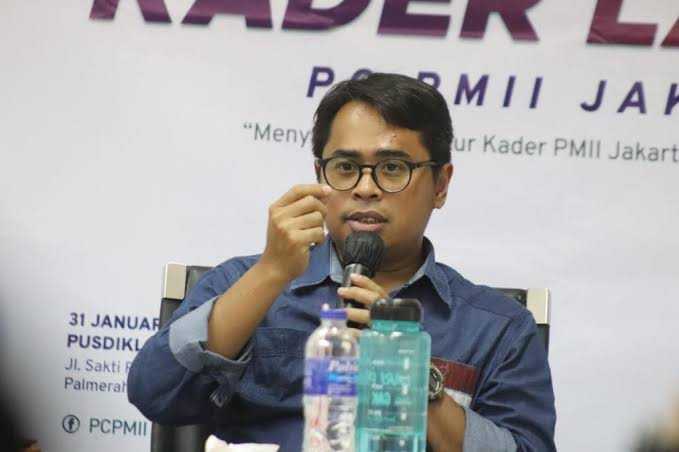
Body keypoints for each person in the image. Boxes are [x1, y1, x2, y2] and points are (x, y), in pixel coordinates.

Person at [128, 73, 556, 452]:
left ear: (440, 185)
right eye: (346, 167)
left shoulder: (497, 329)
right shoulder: (246, 283)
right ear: (320, 175)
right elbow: (153, 393)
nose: (365, 188)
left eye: (393, 168)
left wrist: (407, 371)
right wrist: (272, 272)